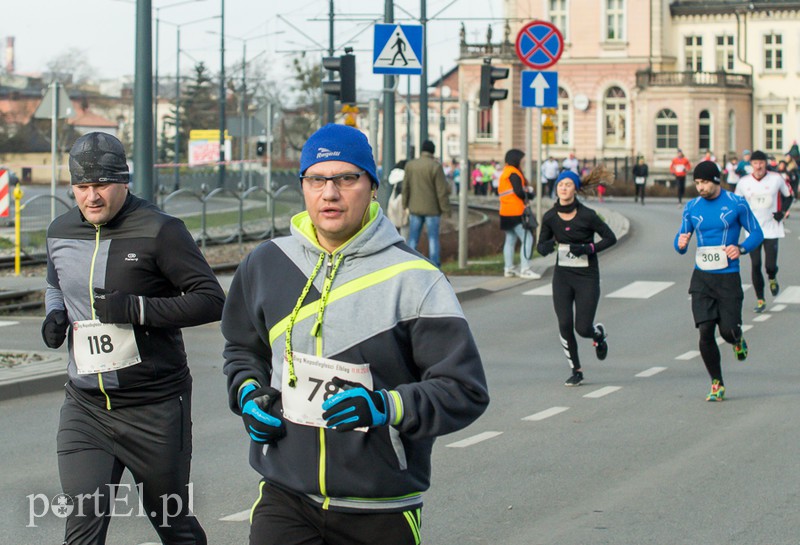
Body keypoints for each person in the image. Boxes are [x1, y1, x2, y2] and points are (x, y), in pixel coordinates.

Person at [220, 124, 489, 545]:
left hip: (380, 509)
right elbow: (241, 348)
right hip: (286, 498)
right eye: (317, 179)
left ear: (372, 187)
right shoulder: (266, 263)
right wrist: (249, 392)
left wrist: (387, 406)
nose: (330, 193)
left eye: (347, 178)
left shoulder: (416, 279)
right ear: (303, 186)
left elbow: (464, 391)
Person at [41, 132, 225, 544]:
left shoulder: (160, 230)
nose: (92, 197)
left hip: (155, 408)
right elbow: (56, 282)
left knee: (173, 526)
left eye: (102, 185)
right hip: (86, 409)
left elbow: (211, 300)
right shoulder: (59, 230)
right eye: (83, 187)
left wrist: (137, 309)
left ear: (124, 181)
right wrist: (53, 314)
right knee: (82, 531)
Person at [674, 161, 763, 401]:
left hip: (728, 277)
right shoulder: (692, 207)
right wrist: (680, 244)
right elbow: (680, 239)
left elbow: (757, 233)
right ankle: (717, 382)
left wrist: (741, 248)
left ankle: (737, 339)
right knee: (705, 332)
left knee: (728, 331)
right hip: (702, 277)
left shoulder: (736, 203)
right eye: (697, 183)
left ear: (716, 180)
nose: (700, 187)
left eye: (704, 182)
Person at [536, 168, 617, 386]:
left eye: (568, 185)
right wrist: (546, 245)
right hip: (562, 276)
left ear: (575, 189)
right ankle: (576, 370)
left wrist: (589, 248)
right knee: (564, 324)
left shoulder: (587, 215)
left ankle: (597, 335)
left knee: (582, 328)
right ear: (557, 189)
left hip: (586, 277)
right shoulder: (550, 217)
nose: (563, 188)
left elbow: (611, 238)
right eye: (561, 185)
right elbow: (541, 247)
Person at [735, 150, 793, 313]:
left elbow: (789, 195)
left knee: (769, 265)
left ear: (765, 164)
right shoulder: (743, 182)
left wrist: (782, 212)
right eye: (755, 163)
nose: (758, 166)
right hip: (753, 230)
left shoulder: (776, 179)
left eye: (761, 163)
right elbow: (737, 203)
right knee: (755, 265)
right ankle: (760, 299)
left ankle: (772, 276)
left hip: (771, 228)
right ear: (751, 165)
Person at [403, 140, 451, 268]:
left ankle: (409, 264)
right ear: (433, 151)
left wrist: (404, 204)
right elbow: (441, 191)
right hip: (432, 210)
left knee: (413, 239)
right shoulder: (435, 166)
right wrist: (446, 210)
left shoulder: (410, 165)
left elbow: (405, 187)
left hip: (414, 208)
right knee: (433, 239)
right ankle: (435, 266)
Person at [498, 148, 540, 279]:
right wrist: (530, 194)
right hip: (515, 212)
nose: (522, 162)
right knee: (528, 238)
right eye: (521, 160)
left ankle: (508, 268)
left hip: (505, 211)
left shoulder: (505, 172)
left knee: (510, 240)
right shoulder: (514, 173)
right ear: (515, 159)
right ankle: (525, 268)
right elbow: (518, 192)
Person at [386, 159, 410, 240]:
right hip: (403, 212)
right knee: (404, 237)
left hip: (394, 211)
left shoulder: (394, 178)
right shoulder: (404, 179)